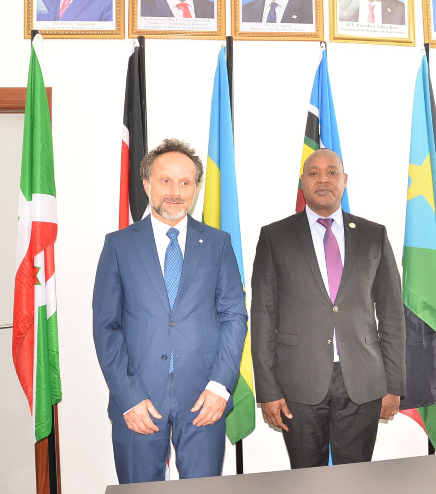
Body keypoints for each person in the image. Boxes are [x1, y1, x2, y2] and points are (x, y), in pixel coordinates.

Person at [93, 138, 247, 483]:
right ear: (147, 184)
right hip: (138, 399)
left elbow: (234, 316)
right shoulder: (118, 246)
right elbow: (106, 326)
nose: (175, 191)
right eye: (165, 180)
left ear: (195, 188)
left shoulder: (218, 244)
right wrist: (128, 397)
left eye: (185, 182)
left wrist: (221, 386)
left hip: (204, 398)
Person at [250, 148, 405, 468]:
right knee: (307, 479)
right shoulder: (274, 236)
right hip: (297, 383)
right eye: (314, 173)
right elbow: (264, 316)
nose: (323, 179)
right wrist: (267, 389)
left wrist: (394, 383)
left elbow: (391, 313)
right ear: (302, 182)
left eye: (332, 172)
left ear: (344, 180)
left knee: (356, 478)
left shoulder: (374, 234)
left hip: (363, 381)